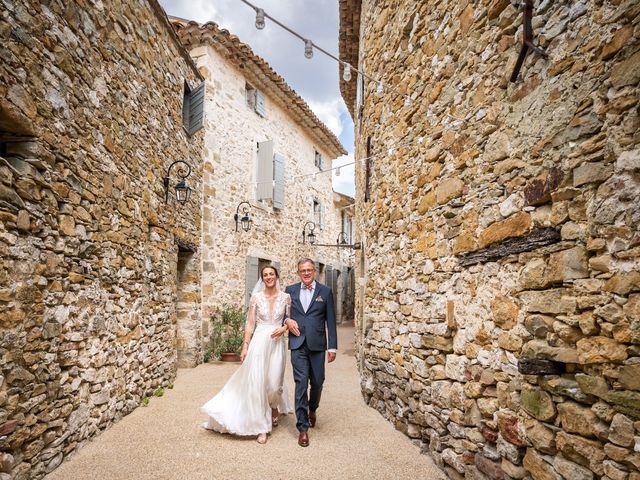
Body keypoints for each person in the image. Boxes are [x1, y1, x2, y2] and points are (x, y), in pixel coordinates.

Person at [201, 265, 292, 444]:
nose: (268, 277)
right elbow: (250, 324)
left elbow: (290, 320)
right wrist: (245, 347)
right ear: (262, 278)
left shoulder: (286, 298)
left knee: (274, 384)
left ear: (277, 276)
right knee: (257, 384)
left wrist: (283, 328)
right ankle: (261, 427)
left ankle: (274, 406)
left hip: (277, 344)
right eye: (265, 275)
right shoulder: (256, 298)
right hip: (258, 343)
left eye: (271, 274)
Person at [284, 258, 337, 447]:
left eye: (308, 270)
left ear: (314, 271)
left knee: (317, 382)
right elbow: (283, 313)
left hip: (317, 345)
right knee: (300, 383)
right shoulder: (290, 290)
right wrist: (287, 321)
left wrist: (332, 347)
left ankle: (312, 408)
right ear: (298, 273)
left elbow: (330, 320)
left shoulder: (325, 292)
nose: (305, 273)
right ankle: (303, 428)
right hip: (298, 344)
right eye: (302, 271)